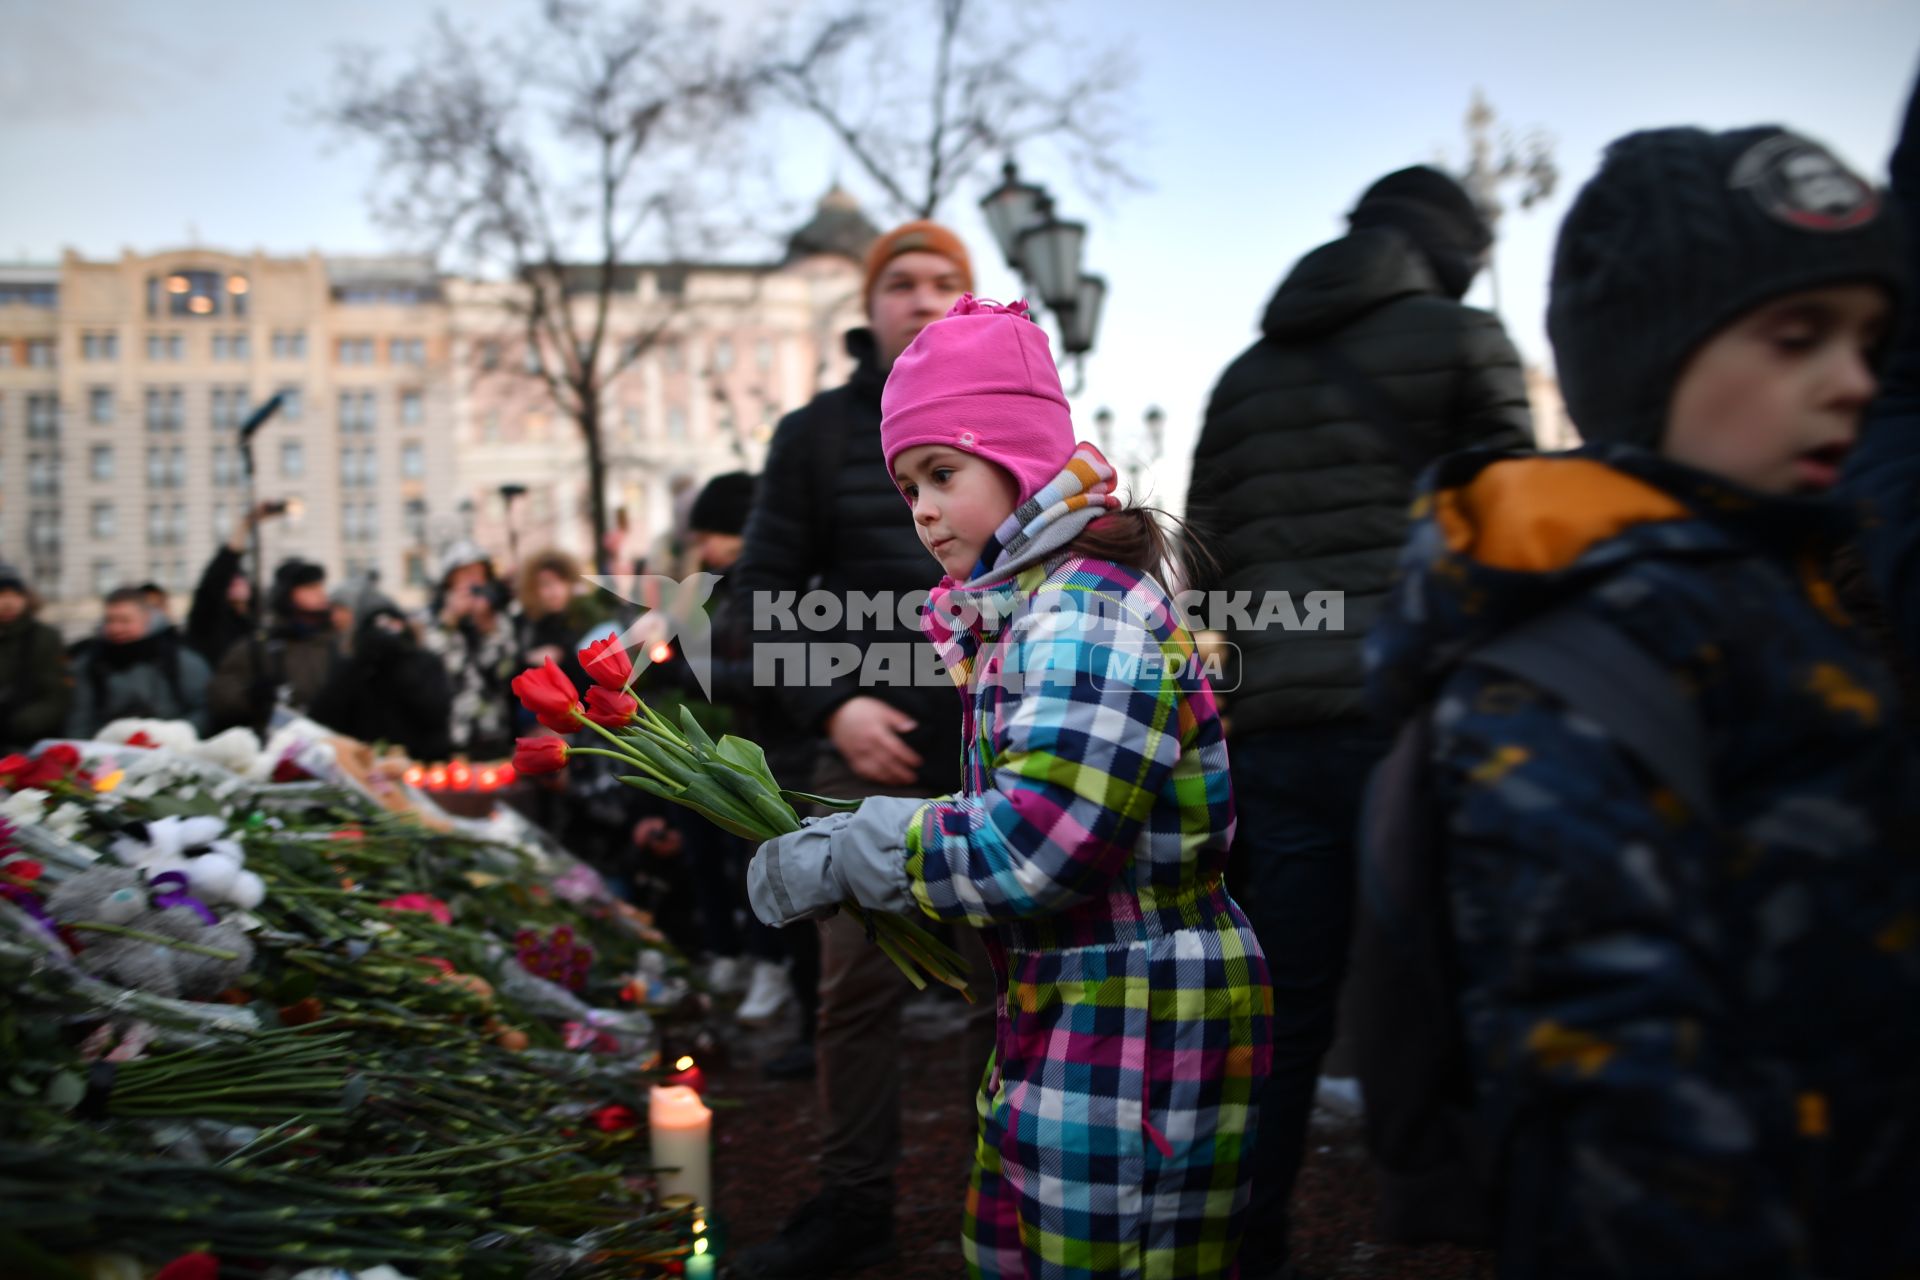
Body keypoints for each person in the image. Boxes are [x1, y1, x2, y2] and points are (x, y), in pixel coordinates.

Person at [1365, 124, 1920, 1278]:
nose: (1854, 379)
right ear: (1654, 358)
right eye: (1796, 337)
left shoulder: (1798, 598)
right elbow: (1611, 1098)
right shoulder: (1575, 670)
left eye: (1872, 337)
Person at [749, 297, 1273, 1280]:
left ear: (1019, 455)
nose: (922, 509)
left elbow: (1036, 849)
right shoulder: (1031, 610)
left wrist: (857, 848)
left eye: (941, 472)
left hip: (1140, 1022)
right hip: (1074, 1008)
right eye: (907, 485)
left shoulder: (1083, 617)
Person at [1183, 162, 1534, 1275]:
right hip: (1426, 716)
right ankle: (1506, 1224)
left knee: (1283, 1011)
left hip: (1283, 733)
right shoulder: (1464, 337)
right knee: (1483, 985)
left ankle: (1251, 1243)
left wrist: (1253, 685)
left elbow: (1208, 564)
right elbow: (1520, 528)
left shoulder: (1245, 376)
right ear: (1454, 247)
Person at [730, 220, 989, 1276]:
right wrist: (834, 703)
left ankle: (1007, 1193)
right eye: (901, 283)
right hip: (860, 756)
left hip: (995, 756)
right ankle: (852, 1201)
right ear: (869, 303)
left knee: (1002, 985)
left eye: (944, 283)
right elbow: (749, 606)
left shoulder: (1009, 427)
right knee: (853, 990)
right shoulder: (813, 436)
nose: (921, 299)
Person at [307, 595, 453, 761]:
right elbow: (325, 714)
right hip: (367, 762)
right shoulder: (354, 668)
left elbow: (435, 712)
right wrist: (361, 663)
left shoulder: (424, 663)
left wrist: (400, 661)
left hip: (421, 762)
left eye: (392, 626)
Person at [207, 558, 339, 735]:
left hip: (330, 742)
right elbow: (221, 697)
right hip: (275, 746)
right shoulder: (257, 647)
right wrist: (252, 697)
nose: (321, 593)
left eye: (320, 586)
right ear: (287, 594)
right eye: (310, 587)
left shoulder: (334, 643)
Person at [67, 586, 212, 738]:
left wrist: (173, 738)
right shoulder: (90, 664)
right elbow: (80, 720)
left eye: (125, 620)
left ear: (147, 619)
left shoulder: (181, 659)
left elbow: (203, 710)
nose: (116, 628)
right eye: (110, 620)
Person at [421, 544, 518, 760]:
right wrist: (448, 623)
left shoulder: (500, 620)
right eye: (465, 574)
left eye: (478, 574)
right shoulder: (432, 620)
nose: (473, 581)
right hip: (448, 739)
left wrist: (488, 629)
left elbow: (505, 674)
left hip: (494, 734)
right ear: (449, 581)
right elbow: (430, 670)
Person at [186, 502, 282, 667]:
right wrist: (245, 525)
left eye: (240, 577)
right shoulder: (208, 619)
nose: (236, 582)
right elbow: (216, 577)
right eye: (230, 580)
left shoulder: (257, 622)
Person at [0, 564, 71, 751]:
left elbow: (56, 694)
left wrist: (19, 723)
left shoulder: (45, 637)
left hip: (30, 740)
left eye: (14, 595)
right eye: (2, 595)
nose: (8, 603)